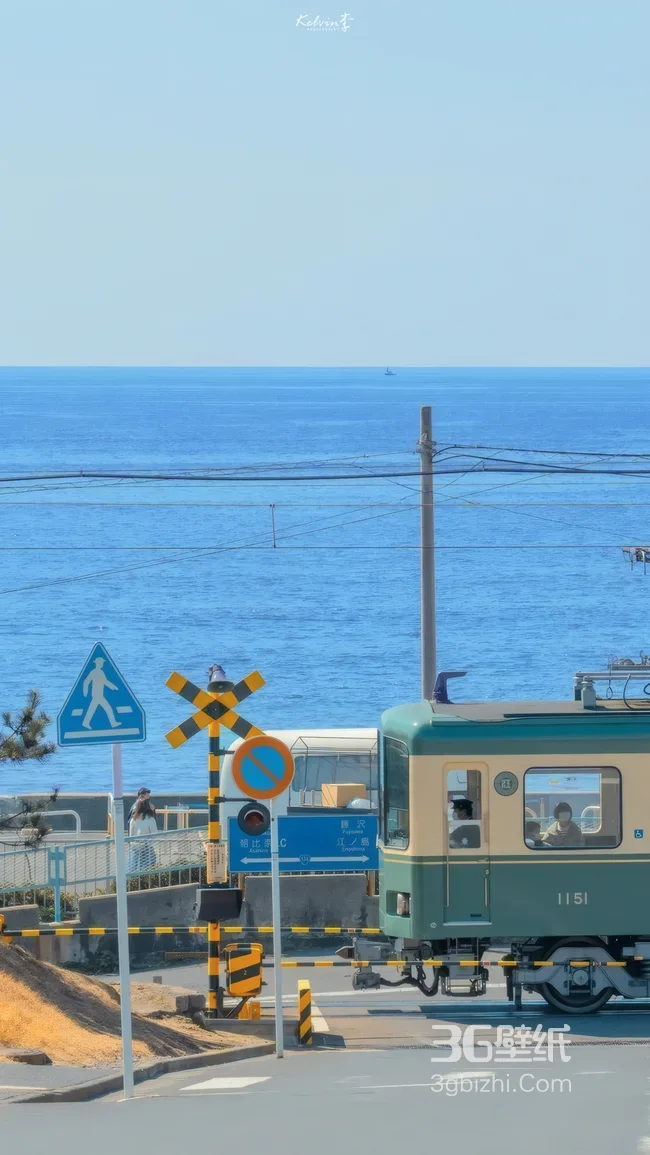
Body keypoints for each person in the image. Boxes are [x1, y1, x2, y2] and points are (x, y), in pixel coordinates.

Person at [128, 791, 158, 873]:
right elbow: (155, 834)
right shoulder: (150, 820)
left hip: (135, 847)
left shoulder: (133, 820)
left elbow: (131, 835)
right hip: (146, 847)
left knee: (132, 869)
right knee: (148, 868)